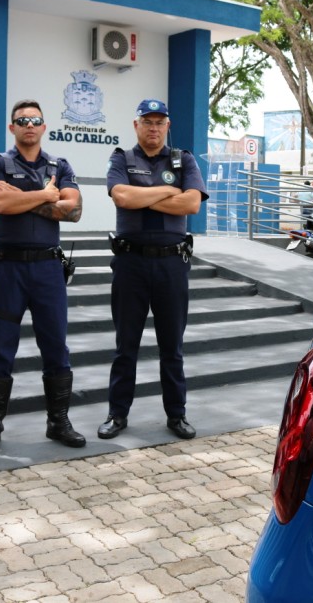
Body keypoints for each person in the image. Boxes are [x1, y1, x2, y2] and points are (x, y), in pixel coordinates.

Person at [0, 100, 85, 454]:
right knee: (0, 349)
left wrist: (20, 196)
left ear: (44, 125)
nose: (29, 125)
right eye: (22, 120)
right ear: (12, 128)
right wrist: (45, 195)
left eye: (35, 119)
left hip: (48, 271)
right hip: (8, 270)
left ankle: (59, 421)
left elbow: (74, 210)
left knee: (56, 347)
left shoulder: (59, 165)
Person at [98, 98, 208, 441]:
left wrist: (143, 192)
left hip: (171, 265)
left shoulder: (183, 159)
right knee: (125, 346)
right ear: (136, 125)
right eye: (147, 121)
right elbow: (122, 198)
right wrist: (166, 191)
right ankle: (117, 415)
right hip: (131, 263)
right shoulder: (121, 158)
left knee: (171, 347)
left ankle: (177, 415)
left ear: (168, 126)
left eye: (160, 122)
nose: (154, 128)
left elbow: (191, 202)